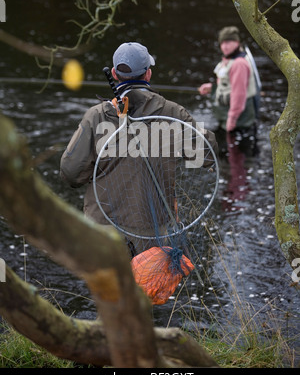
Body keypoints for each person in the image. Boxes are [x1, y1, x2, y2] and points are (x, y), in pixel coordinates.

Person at [60, 42, 218, 255]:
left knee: (109, 289)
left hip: (103, 235)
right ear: (148, 74)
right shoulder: (173, 113)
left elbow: (71, 174)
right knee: (150, 290)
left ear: (115, 74)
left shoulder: (96, 116)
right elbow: (208, 155)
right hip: (155, 240)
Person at [198, 26, 259, 133]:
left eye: (228, 42)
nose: (224, 47)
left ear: (237, 42)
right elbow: (229, 83)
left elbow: (239, 94)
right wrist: (212, 87)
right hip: (231, 114)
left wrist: (232, 119)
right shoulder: (230, 58)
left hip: (239, 120)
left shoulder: (239, 64)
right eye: (222, 43)